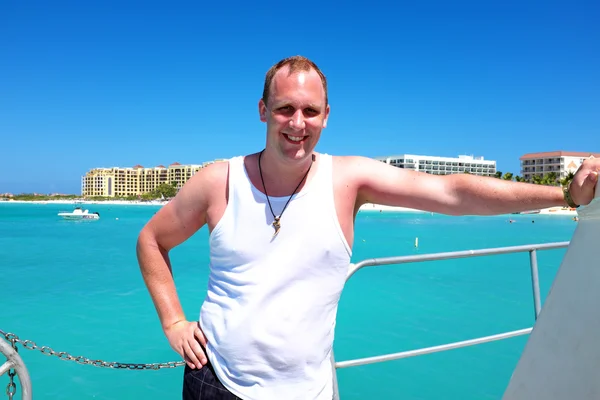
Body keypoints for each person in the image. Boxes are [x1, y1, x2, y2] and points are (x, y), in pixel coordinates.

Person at [136, 55, 600, 400]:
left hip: (310, 390)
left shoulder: (348, 180)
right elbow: (152, 240)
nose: (297, 124)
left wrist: (563, 195)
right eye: (284, 109)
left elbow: (451, 193)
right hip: (216, 381)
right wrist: (174, 321)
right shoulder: (219, 181)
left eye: (310, 111)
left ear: (327, 116)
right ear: (262, 110)